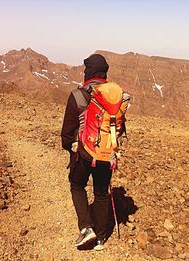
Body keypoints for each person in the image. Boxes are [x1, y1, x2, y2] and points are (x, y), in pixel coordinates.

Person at [61, 54, 124, 251]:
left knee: (77, 185)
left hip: (84, 152)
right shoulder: (115, 97)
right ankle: (101, 238)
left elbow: (67, 132)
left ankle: (86, 228)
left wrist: (70, 149)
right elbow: (120, 128)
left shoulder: (78, 95)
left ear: (88, 71)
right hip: (107, 153)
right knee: (101, 193)